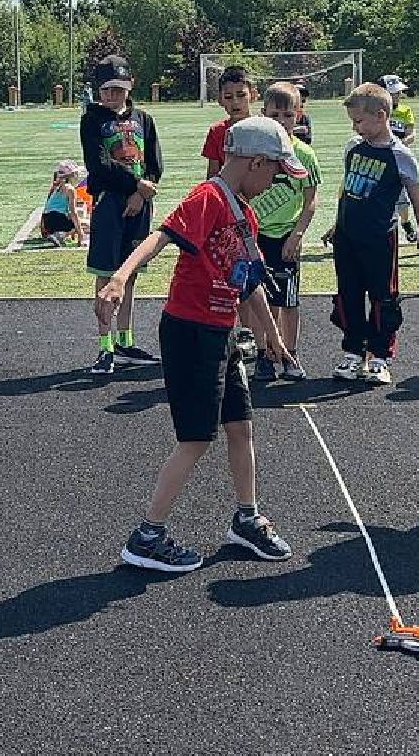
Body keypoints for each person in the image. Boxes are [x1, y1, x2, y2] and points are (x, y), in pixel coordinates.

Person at [100, 116, 302, 574]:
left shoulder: (243, 214)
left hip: (222, 331)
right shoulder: (207, 197)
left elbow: (247, 280)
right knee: (195, 437)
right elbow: (162, 235)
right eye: (274, 171)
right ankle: (147, 535)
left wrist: (271, 335)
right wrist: (120, 276)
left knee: (240, 426)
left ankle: (247, 518)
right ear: (254, 163)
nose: (274, 182)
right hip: (191, 331)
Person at [326, 82, 419, 384]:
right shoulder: (353, 147)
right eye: (353, 122)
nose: (355, 127)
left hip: (380, 239)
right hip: (347, 237)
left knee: (383, 298)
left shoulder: (401, 155)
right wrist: (337, 224)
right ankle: (352, 352)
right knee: (348, 295)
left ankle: (380, 356)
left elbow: (417, 198)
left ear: (381, 115)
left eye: (359, 121)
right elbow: (346, 190)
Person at [81, 57, 163, 374]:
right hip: (109, 203)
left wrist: (142, 193)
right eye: (107, 89)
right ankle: (105, 347)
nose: (113, 95)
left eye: (119, 88)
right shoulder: (91, 120)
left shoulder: (144, 119)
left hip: (140, 203)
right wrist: (132, 185)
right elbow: (98, 164)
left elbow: (155, 163)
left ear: (129, 86)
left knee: (129, 273)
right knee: (106, 273)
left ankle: (126, 341)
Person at [250, 82, 322, 382]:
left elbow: (311, 201)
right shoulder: (252, 153)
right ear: (263, 114)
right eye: (275, 115)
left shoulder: (304, 155)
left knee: (289, 301)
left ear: (299, 115)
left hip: (287, 239)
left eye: (288, 115)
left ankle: (290, 354)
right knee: (260, 300)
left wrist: (297, 236)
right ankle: (265, 353)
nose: (282, 122)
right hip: (256, 237)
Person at [203, 66, 256, 179]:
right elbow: (213, 175)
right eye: (228, 97)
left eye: (241, 95)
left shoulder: (267, 128)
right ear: (220, 100)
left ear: (253, 95)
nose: (235, 102)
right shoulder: (217, 132)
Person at [385, 78, 419, 242]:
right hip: (380, 157)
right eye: (394, 93)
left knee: (402, 197)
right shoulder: (375, 110)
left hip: (398, 158)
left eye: (399, 93)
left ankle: (406, 223)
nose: (398, 96)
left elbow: (411, 133)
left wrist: (401, 143)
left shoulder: (405, 111)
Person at [42, 159, 84, 246]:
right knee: (81, 225)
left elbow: (46, 208)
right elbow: (73, 212)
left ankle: (56, 234)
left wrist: (43, 229)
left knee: (78, 222)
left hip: (47, 222)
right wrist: (80, 233)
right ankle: (61, 235)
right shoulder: (70, 189)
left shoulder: (54, 187)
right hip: (57, 219)